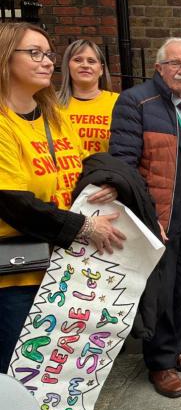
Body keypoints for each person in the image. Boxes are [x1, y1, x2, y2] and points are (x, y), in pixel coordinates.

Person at [0, 23, 124, 376]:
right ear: (6, 58)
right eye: (34, 53)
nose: (46, 62)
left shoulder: (52, 115)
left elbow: (83, 166)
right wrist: (84, 226)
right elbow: (12, 201)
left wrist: (108, 184)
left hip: (61, 269)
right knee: (18, 375)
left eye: (48, 54)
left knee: (56, 375)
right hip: (16, 277)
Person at [110, 37, 181, 398]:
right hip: (159, 211)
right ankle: (160, 363)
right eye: (175, 63)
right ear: (159, 67)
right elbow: (125, 164)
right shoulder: (136, 101)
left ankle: (174, 348)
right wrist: (145, 213)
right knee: (161, 286)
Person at [57, 39, 118, 155]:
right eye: (77, 60)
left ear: (101, 69)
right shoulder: (51, 104)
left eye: (91, 61)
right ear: (68, 66)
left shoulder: (118, 102)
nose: (85, 65)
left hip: (106, 171)